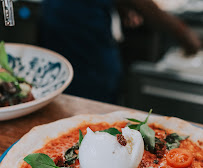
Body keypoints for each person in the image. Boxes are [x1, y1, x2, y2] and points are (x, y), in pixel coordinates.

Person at [41, 0, 201, 103]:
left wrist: (120, 6)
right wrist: (183, 33)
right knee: (89, 99)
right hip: (82, 38)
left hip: (59, 21)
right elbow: (146, 6)